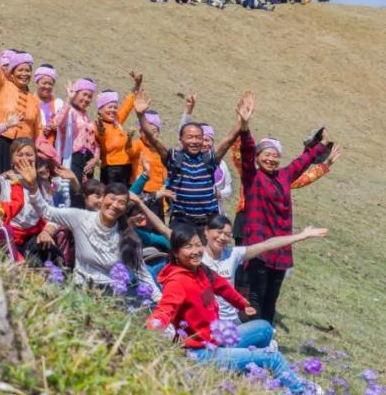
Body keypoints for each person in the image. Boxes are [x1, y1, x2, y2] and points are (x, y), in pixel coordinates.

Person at [147, 224, 310, 393]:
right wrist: (152, 328)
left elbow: (222, 285)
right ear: (175, 253)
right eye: (188, 247)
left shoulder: (200, 270)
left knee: (265, 328)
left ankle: (249, 378)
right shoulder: (177, 282)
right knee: (273, 357)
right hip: (201, 353)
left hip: (217, 340)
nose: (195, 251)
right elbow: (164, 310)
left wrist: (241, 303)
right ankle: (302, 391)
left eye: (197, 245)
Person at [236, 94, 343, 324]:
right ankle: (249, 337)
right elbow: (245, 150)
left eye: (275, 156)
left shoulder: (284, 176)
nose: (272, 159)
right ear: (257, 159)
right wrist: (245, 126)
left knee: (272, 299)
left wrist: (322, 145)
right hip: (259, 246)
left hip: (281, 249)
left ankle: (265, 338)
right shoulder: (252, 177)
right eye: (267, 155)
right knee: (256, 296)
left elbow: (302, 162)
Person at [18, 157, 160, 299]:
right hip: (82, 292)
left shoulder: (128, 237)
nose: (115, 205)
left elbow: (143, 274)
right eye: (112, 198)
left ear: (125, 208)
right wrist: (32, 187)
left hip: (111, 297)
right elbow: (46, 211)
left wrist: (162, 308)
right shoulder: (81, 218)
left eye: (121, 202)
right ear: (103, 198)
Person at [134, 90, 240, 227]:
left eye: (198, 137)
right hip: (181, 224)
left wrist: (241, 121)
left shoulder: (210, 159)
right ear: (181, 140)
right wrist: (141, 115)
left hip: (207, 225)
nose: (194, 141)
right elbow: (153, 139)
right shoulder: (173, 158)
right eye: (190, 137)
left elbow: (229, 140)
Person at [202, 214, 328, 325]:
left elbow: (268, 244)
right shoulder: (196, 258)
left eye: (227, 235)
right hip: (210, 323)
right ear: (206, 231)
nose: (223, 237)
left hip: (233, 322)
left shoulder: (232, 254)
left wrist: (302, 235)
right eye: (219, 232)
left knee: (265, 329)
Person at [0, 19, 44, 176]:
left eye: (28, 71)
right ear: (12, 72)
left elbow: (38, 128)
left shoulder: (34, 99)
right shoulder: (3, 85)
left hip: (23, 150)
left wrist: (40, 149)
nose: (24, 74)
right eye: (20, 70)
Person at [53, 78, 99, 207]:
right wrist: (68, 99)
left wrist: (96, 158)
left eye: (89, 96)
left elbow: (93, 141)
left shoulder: (87, 117)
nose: (86, 99)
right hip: (73, 158)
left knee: (84, 196)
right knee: (72, 194)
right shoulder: (69, 111)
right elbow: (58, 123)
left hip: (87, 163)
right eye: (84, 94)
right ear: (76, 93)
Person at [95, 72, 143, 186]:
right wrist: (100, 132)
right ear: (100, 110)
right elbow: (100, 139)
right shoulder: (98, 125)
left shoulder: (117, 121)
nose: (113, 110)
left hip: (127, 168)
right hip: (112, 170)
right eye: (109, 107)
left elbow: (128, 104)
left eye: (115, 107)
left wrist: (137, 84)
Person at [33, 64, 63, 136]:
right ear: (37, 82)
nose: (47, 86)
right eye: (44, 83)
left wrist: (58, 127)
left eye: (50, 84)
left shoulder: (58, 104)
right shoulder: (30, 101)